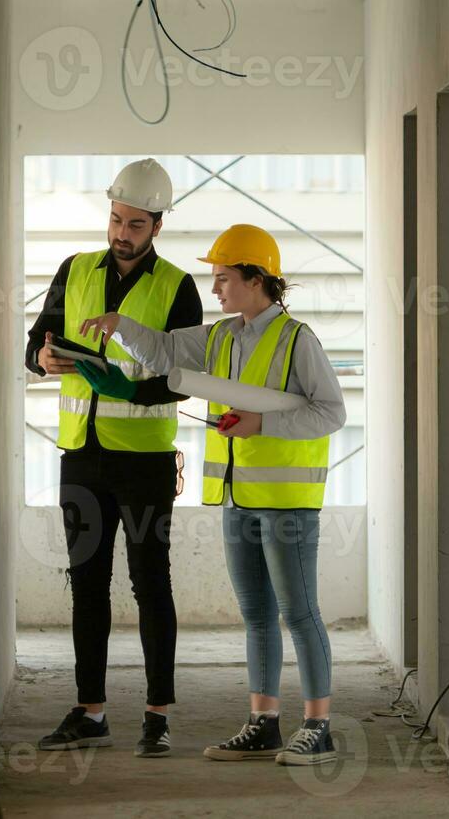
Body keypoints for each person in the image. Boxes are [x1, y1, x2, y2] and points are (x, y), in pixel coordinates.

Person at [77, 223, 346, 767]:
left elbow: (331, 413)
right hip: (236, 496)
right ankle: (263, 722)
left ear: (256, 279)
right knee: (257, 615)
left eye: (224, 278)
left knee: (299, 613)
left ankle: (318, 725)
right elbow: (164, 350)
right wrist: (119, 324)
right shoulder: (222, 337)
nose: (216, 288)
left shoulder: (299, 340)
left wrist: (260, 427)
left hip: (288, 500)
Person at [26, 158, 204, 758]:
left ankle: (157, 715)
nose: (121, 233)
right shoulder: (73, 271)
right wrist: (42, 362)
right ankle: (91, 710)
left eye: (134, 224)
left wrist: (134, 390)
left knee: (151, 583)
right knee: (86, 583)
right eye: (115, 220)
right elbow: (38, 342)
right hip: (81, 454)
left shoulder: (177, 286)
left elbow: (187, 377)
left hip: (145, 459)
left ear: (156, 225)